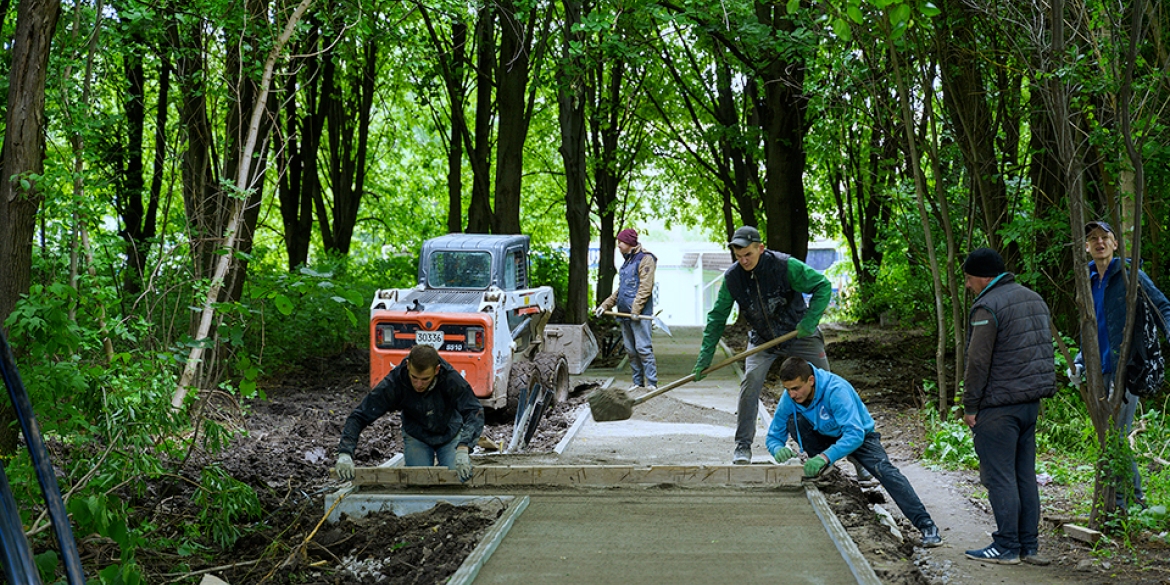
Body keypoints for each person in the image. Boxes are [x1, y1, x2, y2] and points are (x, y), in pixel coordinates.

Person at [691, 225, 834, 466]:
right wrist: (705, 356)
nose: (744, 260)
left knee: (827, 385)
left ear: (760, 248)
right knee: (750, 383)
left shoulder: (785, 266)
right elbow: (717, 317)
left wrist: (809, 321)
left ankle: (852, 453)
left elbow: (823, 285)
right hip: (763, 339)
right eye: (738, 256)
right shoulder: (733, 278)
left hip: (799, 332)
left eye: (748, 254)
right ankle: (742, 445)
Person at [766, 357, 943, 548]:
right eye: (788, 389)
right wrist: (778, 449)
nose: (792, 394)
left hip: (859, 436)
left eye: (796, 388)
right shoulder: (790, 398)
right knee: (796, 421)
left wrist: (825, 456)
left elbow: (855, 434)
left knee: (885, 471)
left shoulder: (836, 390)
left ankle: (927, 526)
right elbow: (773, 437)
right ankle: (826, 472)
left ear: (810, 380)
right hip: (823, 435)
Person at [961, 247, 1055, 565]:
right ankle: (1029, 546)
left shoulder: (988, 306)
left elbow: (977, 361)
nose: (968, 286)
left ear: (983, 276)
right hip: (1030, 406)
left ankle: (1006, 547)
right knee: (1024, 475)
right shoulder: (1034, 299)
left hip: (999, 407)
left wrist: (970, 405)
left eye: (969, 279)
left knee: (1000, 476)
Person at [1072, 220, 1170, 510]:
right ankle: (1130, 497)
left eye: (1105, 237)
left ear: (1115, 244)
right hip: (1096, 368)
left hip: (1127, 367)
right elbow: (1088, 326)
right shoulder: (1086, 279)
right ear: (1086, 247)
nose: (1099, 242)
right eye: (1092, 238)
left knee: (1113, 435)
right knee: (1108, 436)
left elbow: (1163, 305)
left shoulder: (1129, 274)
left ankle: (1123, 502)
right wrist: (1079, 363)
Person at [336, 344, 484, 482]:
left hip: (449, 432)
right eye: (414, 377)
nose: (418, 384)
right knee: (418, 482)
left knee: (457, 478)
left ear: (437, 370)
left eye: (425, 379)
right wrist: (345, 453)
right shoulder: (395, 382)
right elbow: (360, 415)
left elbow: (474, 410)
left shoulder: (450, 379)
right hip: (416, 434)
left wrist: (464, 447)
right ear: (408, 366)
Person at [595, 228, 659, 391]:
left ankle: (652, 383)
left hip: (639, 315)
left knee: (643, 348)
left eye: (620, 242)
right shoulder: (627, 261)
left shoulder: (645, 259)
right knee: (630, 350)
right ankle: (638, 383)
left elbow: (645, 287)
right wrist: (605, 305)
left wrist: (636, 310)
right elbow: (621, 290)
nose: (618, 246)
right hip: (624, 315)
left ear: (629, 243)